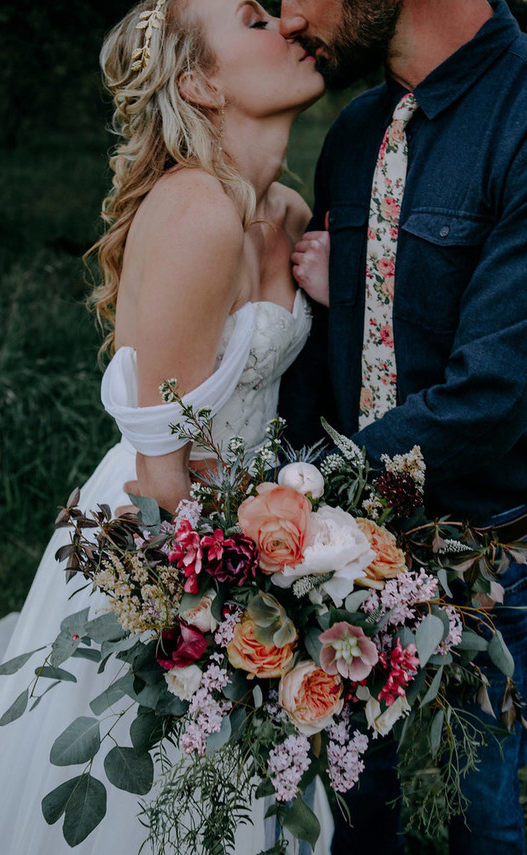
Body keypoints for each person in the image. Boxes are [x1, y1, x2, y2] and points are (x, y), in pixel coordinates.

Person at [0, 1, 335, 852]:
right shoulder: (196, 210)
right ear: (201, 83)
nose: (286, 23)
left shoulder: (285, 211)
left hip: (257, 530)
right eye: (253, 20)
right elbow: (162, 468)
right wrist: (226, 613)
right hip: (163, 541)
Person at [277, 0, 527, 853]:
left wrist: (305, 489)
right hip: (344, 566)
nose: (288, 16)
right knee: (355, 811)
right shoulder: (355, 134)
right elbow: (322, 364)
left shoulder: (520, 120)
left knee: (472, 816)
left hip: (482, 562)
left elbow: (493, 392)